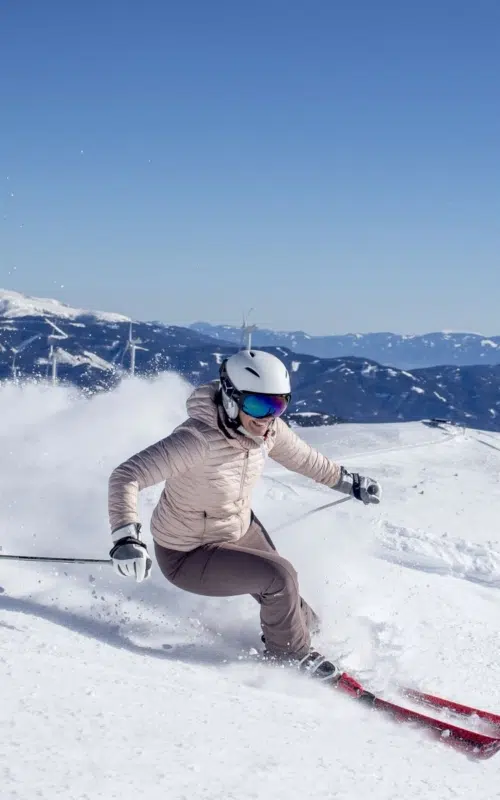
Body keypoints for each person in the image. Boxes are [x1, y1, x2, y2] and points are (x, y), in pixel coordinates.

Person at [107, 349, 381, 682]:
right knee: (279, 577)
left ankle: (299, 638)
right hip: (188, 553)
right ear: (232, 399)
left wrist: (348, 482)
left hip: (238, 529)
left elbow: (305, 459)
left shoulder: (268, 431)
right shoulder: (196, 441)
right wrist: (125, 537)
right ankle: (290, 656)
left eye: (278, 405)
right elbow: (127, 475)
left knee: (303, 616)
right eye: (258, 406)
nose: (268, 417)